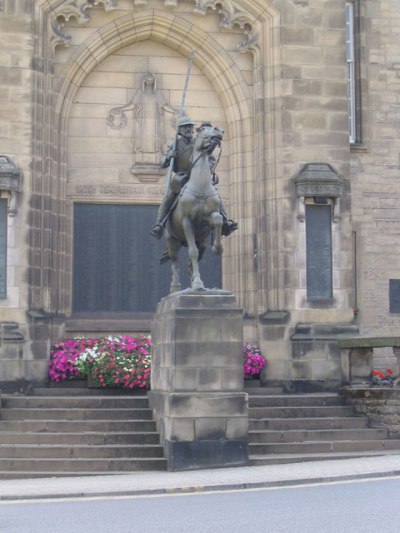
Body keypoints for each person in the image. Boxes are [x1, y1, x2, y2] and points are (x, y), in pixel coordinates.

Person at [150, 116, 238, 239]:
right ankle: (159, 224)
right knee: (168, 196)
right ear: (179, 130)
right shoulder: (174, 144)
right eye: (185, 127)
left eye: (190, 127)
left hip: (199, 176)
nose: (188, 129)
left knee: (215, 194)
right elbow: (163, 163)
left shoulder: (200, 142)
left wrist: (205, 168)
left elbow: (211, 159)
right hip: (181, 177)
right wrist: (169, 156)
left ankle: (225, 221)